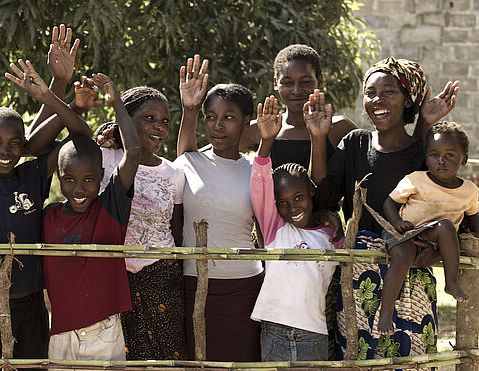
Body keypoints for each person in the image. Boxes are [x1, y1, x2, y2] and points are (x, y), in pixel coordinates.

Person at [308, 57, 459, 359]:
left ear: (408, 100)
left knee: (410, 362)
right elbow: (323, 198)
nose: (377, 99)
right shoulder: (354, 144)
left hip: (411, 279)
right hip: (358, 281)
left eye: (389, 91)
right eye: (370, 92)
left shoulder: (423, 153)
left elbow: (444, 208)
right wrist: (317, 138)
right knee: (358, 359)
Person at [0, 28, 87, 368]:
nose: (6, 150)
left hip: (32, 304)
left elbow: (81, 135)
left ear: (25, 144)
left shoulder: (33, 175)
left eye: (15, 142)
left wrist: (54, 89)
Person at [42, 73, 140, 362]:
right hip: (60, 331)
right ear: (58, 178)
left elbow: (133, 151)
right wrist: (53, 98)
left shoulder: (110, 209)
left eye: (88, 179)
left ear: (101, 178)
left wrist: (116, 102)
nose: (79, 189)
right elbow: (33, 150)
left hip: (104, 329)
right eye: (69, 179)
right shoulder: (48, 217)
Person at [175, 54, 263, 361]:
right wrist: (189, 109)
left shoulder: (256, 170)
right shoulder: (188, 162)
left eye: (229, 117)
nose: (218, 125)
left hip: (245, 287)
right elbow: (183, 152)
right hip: (192, 284)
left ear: (246, 121)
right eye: (211, 117)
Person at [92, 86, 187, 360]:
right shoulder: (104, 159)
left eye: (165, 121)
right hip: (113, 275)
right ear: (126, 119)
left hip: (161, 278)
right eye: (149, 118)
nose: (159, 126)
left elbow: (176, 231)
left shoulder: (174, 173)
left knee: (166, 357)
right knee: (116, 356)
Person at [249, 96, 343, 361]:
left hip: (314, 332)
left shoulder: (331, 234)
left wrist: (328, 214)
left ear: (311, 193)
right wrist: (266, 143)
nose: (291, 208)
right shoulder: (274, 228)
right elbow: (259, 186)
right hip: (273, 328)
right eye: (282, 203)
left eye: (299, 198)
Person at [380, 121, 477, 334]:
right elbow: (389, 203)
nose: (441, 161)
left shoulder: (470, 191)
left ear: (464, 159)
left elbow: (474, 221)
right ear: (426, 158)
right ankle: (386, 312)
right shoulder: (416, 180)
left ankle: (450, 282)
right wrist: (397, 222)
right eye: (434, 155)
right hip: (403, 233)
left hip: (434, 235)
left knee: (446, 226)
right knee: (402, 255)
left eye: (449, 155)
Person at [241, 44, 357, 167]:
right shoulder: (257, 130)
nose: (296, 90)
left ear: (320, 80)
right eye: (287, 83)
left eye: (305, 82)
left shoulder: (340, 129)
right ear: (276, 83)